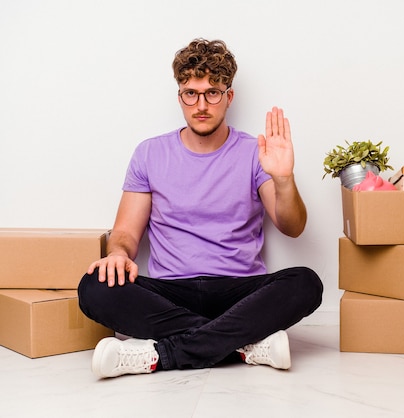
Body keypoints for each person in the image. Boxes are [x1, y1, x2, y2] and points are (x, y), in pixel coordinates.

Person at [77, 38, 323, 379]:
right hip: (171, 293)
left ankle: (158, 355)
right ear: (179, 96)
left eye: (212, 93)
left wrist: (283, 179)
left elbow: (292, 226)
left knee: (305, 282)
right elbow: (124, 234)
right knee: (94, 286)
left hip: (238, 290)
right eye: (190, 93)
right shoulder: (149, 153)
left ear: (228, 96)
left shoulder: (254, 152)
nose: (201, 105)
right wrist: (117, 253)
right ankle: (242, 344)